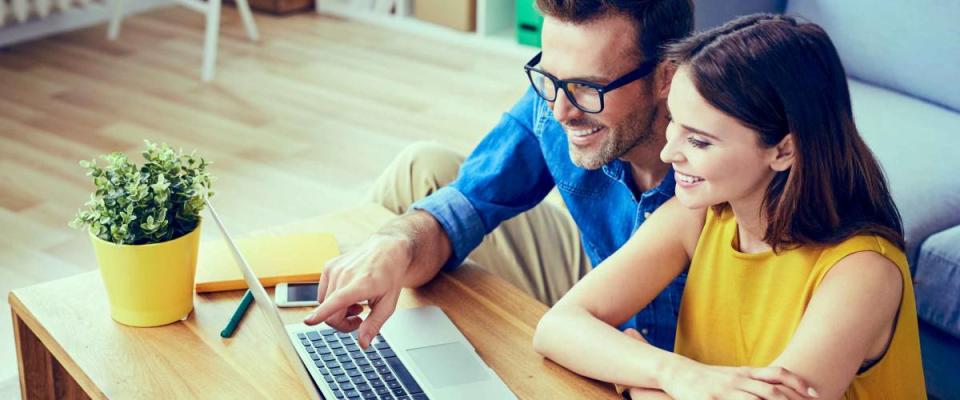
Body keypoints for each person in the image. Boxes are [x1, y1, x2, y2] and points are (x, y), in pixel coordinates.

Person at [533, 13, 927, 399]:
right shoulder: (699, 217)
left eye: (700, 141)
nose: (670, 153)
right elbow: (557, 326)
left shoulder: (863, 273)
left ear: (784, 149)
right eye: (675, 123)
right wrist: (670, 371)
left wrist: (636, 382)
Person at [304, 0, 694, 352]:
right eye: (551, 78)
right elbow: (467, 203)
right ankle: (356, 334)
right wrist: (395, 245)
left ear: (666, 78)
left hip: (690, 352)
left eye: (588, 88)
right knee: (422, 168)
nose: (560, 112)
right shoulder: (556, 105)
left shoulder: (722, 156)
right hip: (597, 283)